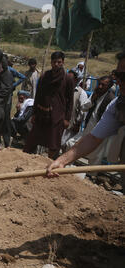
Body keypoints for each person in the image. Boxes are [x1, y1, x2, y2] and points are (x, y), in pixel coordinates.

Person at [47, 52, 125, 193]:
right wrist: (62, 161)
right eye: (117, 75)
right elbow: (94, 138)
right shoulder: (117, 105)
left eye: (123, 77)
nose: (119, 81)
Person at [24, 51, 74, 160]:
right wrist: (34, 113)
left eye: (59, 62)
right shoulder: (44, 77)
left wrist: (67, 118)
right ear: (51, 62)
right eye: (54, 62)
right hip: (42, 113)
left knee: (53, 143)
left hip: (57, 116)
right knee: (32, 140)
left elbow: (70, 101)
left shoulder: (68, 79)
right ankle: (26, 161)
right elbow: (38, 96)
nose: (56, 64)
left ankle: (50, 163)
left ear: (63, 62)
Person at [65, 75, 115, 165]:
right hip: (88, 128)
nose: (100, 86)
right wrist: (92, 98)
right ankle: (67, 165)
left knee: (96, 155)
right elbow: (84, 107)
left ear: (109, 87)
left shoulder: (111, 99)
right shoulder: (95, 93)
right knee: (70, 144)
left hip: (100, 131)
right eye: (99, 84)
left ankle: (91, 176)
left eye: (103, 85)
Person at [0, 59, 26, 148]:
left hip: (8, 97)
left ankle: (6, 142)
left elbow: (22, 77)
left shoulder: (10, 70)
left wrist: (13, 86)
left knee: (6, 118)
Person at [61, 70, 91, 148]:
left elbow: (83, 110)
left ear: (76, 80)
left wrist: (77, 124)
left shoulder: (81, 93)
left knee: (67, 146)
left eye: (70, 79)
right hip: (59, 122)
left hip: (71, 125)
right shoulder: (62, 89)